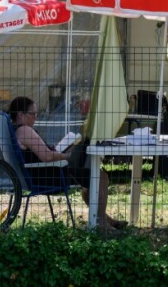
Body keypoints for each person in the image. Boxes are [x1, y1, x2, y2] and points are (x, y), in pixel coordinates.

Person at [8, 97, 126, 231]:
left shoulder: (15, 130)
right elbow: (46, 156)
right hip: (49, 176)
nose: (35, 118)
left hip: (40, 174)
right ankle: (101, 224)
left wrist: (60, 149)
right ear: (21, 114)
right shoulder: (25, 130)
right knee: (101, 176)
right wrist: (67, 155)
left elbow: (42, 153)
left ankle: (106, 220)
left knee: (88, 180)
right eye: (33, 114)